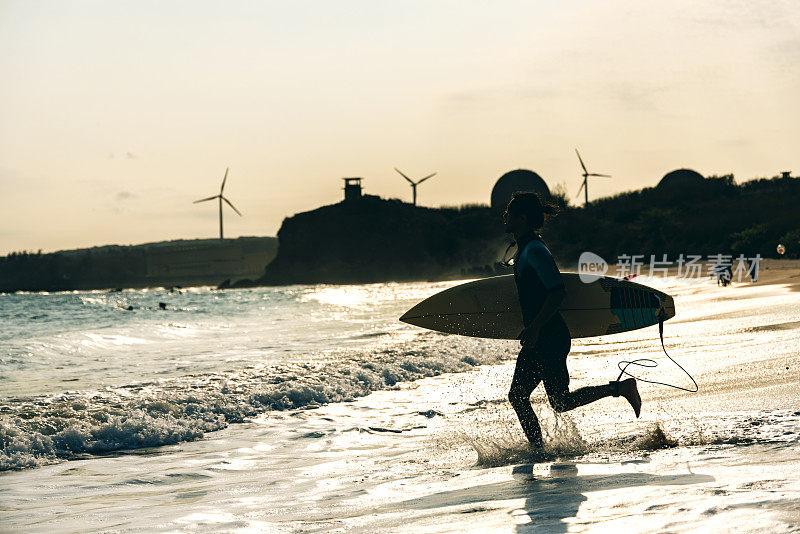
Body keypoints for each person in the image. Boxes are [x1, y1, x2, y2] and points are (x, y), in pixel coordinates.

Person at [503, 192, 641, 449]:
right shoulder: (526, 249)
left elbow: (557, 291)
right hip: (543, 336)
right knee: (539, 399)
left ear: (521, 218)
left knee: (537, 399)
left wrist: (534, 327)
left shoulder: (534, 250)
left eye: (509, 212)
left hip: (548, 336)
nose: (505, 216)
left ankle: (538, 449)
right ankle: (539, 449)